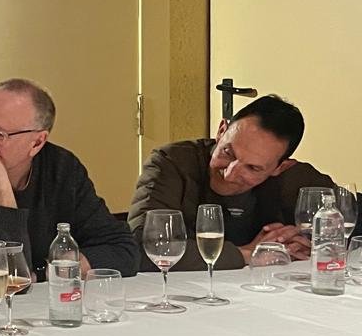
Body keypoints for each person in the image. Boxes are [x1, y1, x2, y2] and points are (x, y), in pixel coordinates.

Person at [0, 78, 138, 295]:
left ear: (37, 142)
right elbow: (5, 283)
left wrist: (45, 272)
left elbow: (123, 250)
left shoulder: (62, 169)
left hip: (40, 308)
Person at [127, 94, 335, 270]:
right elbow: (142, 247)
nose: (229, 174)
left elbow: (347, 221)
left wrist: (316, 244)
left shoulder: (297, 179)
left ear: (280, 168)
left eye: (252, 168)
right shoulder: (171, 163)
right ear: (221, 131)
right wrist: (247, 254)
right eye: (228, 152)